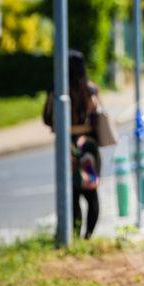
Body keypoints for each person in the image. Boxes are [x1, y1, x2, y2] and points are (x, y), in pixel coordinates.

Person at [43, 50, 101, 239]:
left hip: (67, 146)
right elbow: (98, 119)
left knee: (72, 194)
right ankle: (88, 237)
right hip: (88, 146)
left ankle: (74, 236)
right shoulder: (91, 90)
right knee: (91, 191)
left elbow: (47, 118)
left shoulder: (57, 90)